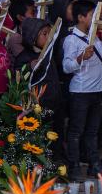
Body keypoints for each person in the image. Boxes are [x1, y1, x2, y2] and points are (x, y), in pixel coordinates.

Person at [62, 0, 102, 180]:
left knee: (93, 131)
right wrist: (81, 57)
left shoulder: (96, 36)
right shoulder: (71, 40)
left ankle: (94, 164)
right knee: (76, 131)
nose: (96, 18)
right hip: (80, 91)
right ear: (81, 17)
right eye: (92, 15)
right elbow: (67, 66)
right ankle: (74, 165)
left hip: (96, 90)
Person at [15, 17, 65, 161]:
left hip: (56, 104)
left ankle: (57, 167)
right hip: (39, 107)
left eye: (50, 33)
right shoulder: (24, 58)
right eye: (44, 33)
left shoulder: (49, 54)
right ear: (32, 37)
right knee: (40, 139)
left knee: (57, 137)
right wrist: (29, 68)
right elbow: (19, 81)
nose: (49, 36)